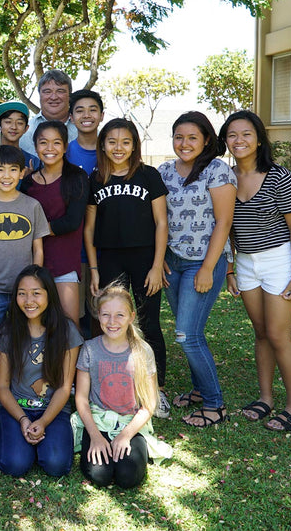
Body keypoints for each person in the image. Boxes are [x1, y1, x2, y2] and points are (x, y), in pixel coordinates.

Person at [220, 110, 291, 432]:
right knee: (260, 332)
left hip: (278, 262)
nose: (239, 140)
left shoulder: (279, 177)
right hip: (245, 263)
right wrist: (230, 269)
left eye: (246, 134)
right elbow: (226, 227)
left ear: (259, 139)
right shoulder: (226, 177)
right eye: (232, 135)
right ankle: (265, 398)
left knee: (277, 334)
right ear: (225, 140)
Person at [84, 118, 171, 419]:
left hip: (145, 258)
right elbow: (89, 229)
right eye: (112, 141)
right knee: (110, 322)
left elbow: (161, 223)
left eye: (125, 142)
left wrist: (157, 264)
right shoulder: (96, 179)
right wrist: (94, 269)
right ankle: (111, 386)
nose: (118, 148)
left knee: (148, 322)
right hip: (108, 258)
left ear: (134, 145)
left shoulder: (148, 176)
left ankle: (157, 390)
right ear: (103, 144)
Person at [158, 112, 236, 428]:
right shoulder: (164, 171)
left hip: (203, 263)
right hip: (172, 262)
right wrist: (159, 256)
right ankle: (200, 390)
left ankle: (215, 405)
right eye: (179, 136)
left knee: (187, 335)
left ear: (206, 139)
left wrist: (207, 268)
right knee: (188, 330)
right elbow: (158, 218)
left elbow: (224, 222)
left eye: (192, 137)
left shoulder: (217, 171)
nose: (184, 143)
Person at [74, 282, 171, 489]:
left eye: (120, 315)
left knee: (128, 476)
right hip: (98, 420)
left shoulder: (142, 351)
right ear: (98, 316)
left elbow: (149, 403)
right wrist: (95, 436)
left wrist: (125, 435)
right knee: (100, 475)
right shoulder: (90, 349)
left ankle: (132, 445)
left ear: (131, 317)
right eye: (105, 315)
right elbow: (81, 398)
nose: (112, 322)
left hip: (130, 422)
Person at [0, 265, 82, 478]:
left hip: (53, 409)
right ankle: (9, 436)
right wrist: (23, 419)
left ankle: (39, 441)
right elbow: (2, 387)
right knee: (16, 464)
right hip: (16, 409)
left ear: (49, 295)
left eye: (36, 293)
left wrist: (42, 422)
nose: (28, 300)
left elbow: (64, 386)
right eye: (22, 294)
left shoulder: (67, 331)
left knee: (56, 465)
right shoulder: (7, 332)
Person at [0, 145, 49, 334]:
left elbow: (38, 249)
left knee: (23, 337)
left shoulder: (32, 206)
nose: (7, 176)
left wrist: (34, 283)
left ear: (22, 173)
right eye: (0, 169)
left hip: (24, 292)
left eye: (13, 169)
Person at [22, 121, 90, 323]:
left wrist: (37, 231)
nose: (50, 149)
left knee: (69, 327)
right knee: (37, 326)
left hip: (64, 263)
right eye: (44, 143)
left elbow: (72, 221)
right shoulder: (28, 182)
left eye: (56, 143)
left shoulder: (77, 177)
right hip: (33, 263)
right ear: (35, 147)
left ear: (65, 146)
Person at [20, 69, 77, 156]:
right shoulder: (24, 133)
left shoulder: (84, 130)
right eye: (47, 92)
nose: (53, 97)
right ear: (39, 95)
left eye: (60, 91)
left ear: (69, 95)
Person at [66, 90, 104, 177]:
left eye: (92, 110)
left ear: (102, 115)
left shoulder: (112, 151)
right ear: (71, 117)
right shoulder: (64, 153)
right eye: (80, 111)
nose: (86, 115)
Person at [0, 100, 39, 172]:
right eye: (8, 122)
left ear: (26, 128)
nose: (14, 127)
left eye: (19, 123)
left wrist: (31, 179)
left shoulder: (33, 162)